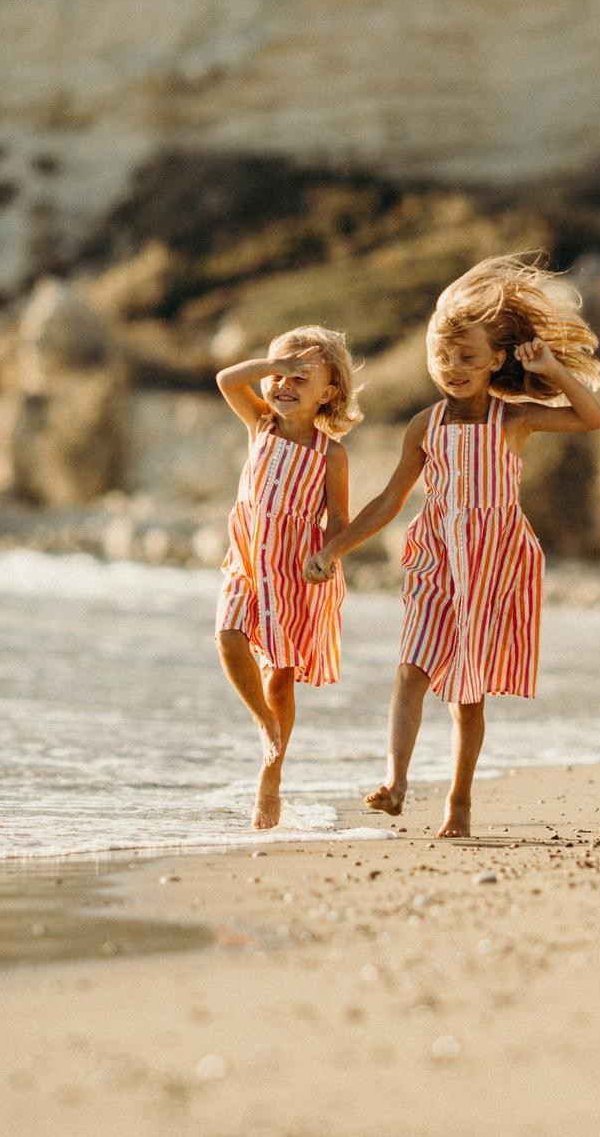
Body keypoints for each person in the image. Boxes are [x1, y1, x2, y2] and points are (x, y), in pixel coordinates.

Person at [303, 254, 600, 838]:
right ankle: (395, 783)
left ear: (496, 359)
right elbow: (389, 501)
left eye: (468, 357)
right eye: (442, 357)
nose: (453, 367)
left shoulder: (513, 420)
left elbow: (590, 417)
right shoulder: (426, 426)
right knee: (410, 670)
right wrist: (335, 548)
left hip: (492, 564)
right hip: (437, 559)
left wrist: (551, 368)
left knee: (466, 696)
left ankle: (459, 803)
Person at [214, 327, 360, 829]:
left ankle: (271, 775)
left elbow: (339, 521)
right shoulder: (260, 425)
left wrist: (329, 556)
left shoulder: (331, 455)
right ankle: (263, 721)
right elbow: (227, 380)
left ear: (329, 392)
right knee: (228, 635)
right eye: (278, 374)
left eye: (301, 376)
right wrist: (269, 366)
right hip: (249, 560)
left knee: (281, 671)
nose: (284, 384)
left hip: (296, 572)